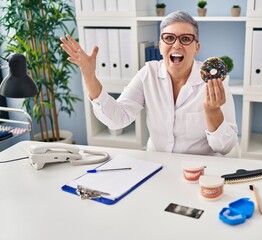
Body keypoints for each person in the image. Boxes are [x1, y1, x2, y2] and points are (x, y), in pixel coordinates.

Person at [60, 10, 238, 156]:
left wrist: (212, 111)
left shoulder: (215, 83)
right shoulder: (148, 74)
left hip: (199, 170)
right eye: (169, 38)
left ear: (196, 47)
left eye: (185, 39)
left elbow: (226, 147)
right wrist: (89, 75)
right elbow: (117, 119)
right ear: (160, 45)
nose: (176, 45)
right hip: (156, 166)